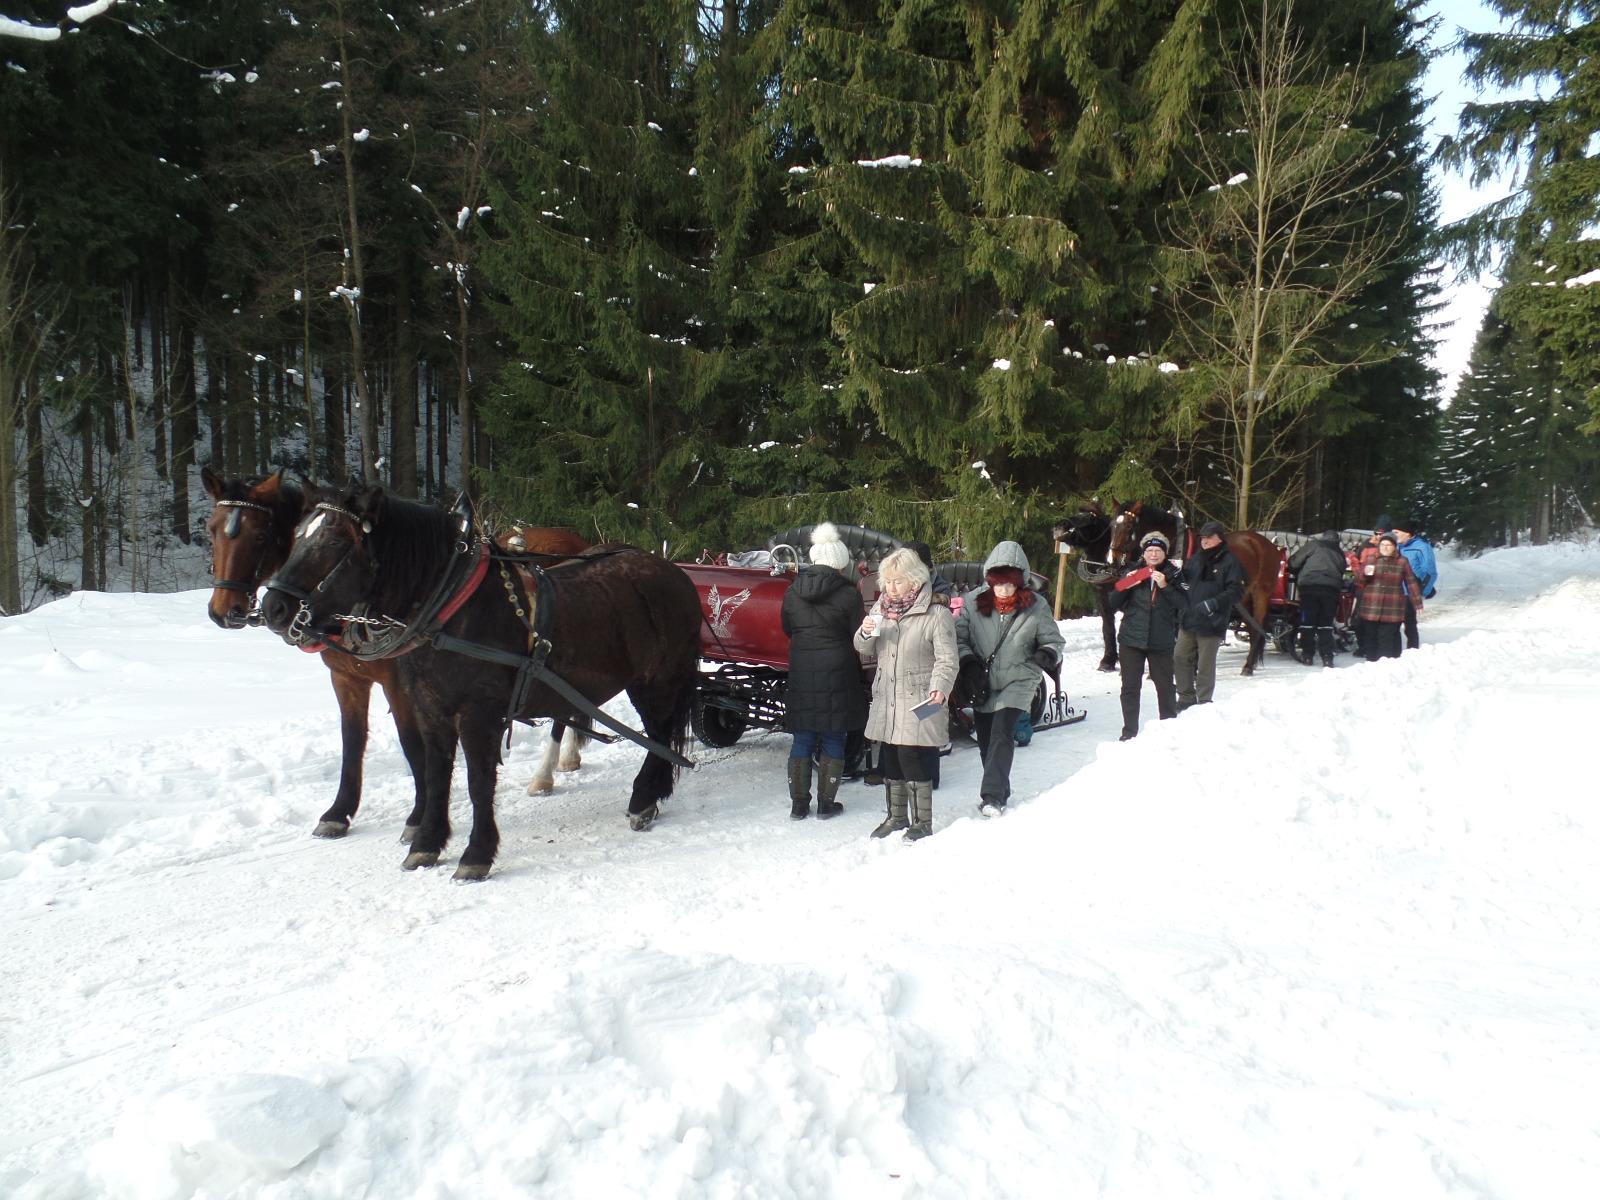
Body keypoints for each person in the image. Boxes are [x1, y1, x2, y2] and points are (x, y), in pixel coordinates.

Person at [854, 547, 958, 841]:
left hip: (919, 697)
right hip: (888, 697)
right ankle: (896, 816)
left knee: (912, 757)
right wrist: (864, 632)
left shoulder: (936, 613)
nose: (890, 588)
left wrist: (940, 687)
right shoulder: (880, 611)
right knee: (890, 757)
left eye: (897, 581)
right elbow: (863, 648)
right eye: (887, 582)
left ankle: (922, 821)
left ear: (914, 580)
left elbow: (947, 659)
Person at [955, 541, 1064, 817]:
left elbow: (1053, 640)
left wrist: (1047, 654)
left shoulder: (1036, 606)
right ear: (990, 580)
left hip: (1020, 677)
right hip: (984, 680)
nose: (1003, 590)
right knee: (985, 738)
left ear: (1020, 582)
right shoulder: (973, 602)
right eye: (998, 584)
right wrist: (968, 665)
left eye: (1010, 584)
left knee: (1002, 733)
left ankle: (991, 797)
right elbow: (959, 639)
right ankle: (1000, 787)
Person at [780, 522, 867, 820]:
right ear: (840, 563)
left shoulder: (792, 591)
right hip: (839, 670)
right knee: (833, 737)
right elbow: (859, 634)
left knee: (802, 738)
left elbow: (787, 628)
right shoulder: (850, 594)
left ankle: (798, 805)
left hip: (802, 669)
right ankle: (827, 805)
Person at [1107, 531, 1189, 741]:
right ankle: (1129, 733)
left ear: (1165, 553)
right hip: (1131, 639)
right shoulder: (1133, 571)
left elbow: (1186, 605)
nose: (1153, 554)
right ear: (1143, 553)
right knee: (1130, 688)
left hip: (1160, 641)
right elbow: (1112, 603)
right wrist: (1127, 585)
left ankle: (1168, 730)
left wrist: (1165, 586)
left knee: (1165, 686)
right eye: (1149, 550)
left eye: (1158, 550)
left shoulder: (1175, 574)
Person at [1174, 520, 1244, 708]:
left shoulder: (1230, 561)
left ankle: (1204, 700)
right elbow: (1185, 581)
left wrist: (1214, 603)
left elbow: (1236, 591)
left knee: (1205, 664)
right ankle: (1185, 697)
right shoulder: (1196, 558)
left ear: (1219, 539)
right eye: (1202, 538)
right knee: (1180, 657)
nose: (1204, 541)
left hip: (1212, 620)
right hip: (1189, 617)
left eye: (1209, 538)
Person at [1355, 531, 1421, 661]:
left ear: (1394, 546)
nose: (1385, 547)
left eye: (1388, 545)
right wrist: (1365, 574)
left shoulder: (1402, 561)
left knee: (1386, 639)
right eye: (1382, 544)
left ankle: (1385, 669)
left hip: (1392, 607)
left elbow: (1411, 582)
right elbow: (1359, 582)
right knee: (1370, 638)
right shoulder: (1371, 559)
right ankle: (1371, 665)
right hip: (1371, 606)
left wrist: (1417, 602)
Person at [1287, 529, 1347, 668]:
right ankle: (1327, 657)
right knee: (1325, 624)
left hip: (1309, 590)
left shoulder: (1314, 545)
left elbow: (1294, 562)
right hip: (1331, 591)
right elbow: (1342, 570)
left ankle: (1308, 655)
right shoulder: (1340, 553)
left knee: (1306, 621)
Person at [1393, 526, 1438, 650]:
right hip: (1395, 591)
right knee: (1393, 624)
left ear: (1408, 533)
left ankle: (1412, 650)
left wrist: (1422, 592)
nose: (1394, 534)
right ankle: (1392, 654)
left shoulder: (1422, 546)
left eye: (1397, 532)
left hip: (1411, 592)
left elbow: (1430, 572)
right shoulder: (1396, 546)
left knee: (1409, 623)